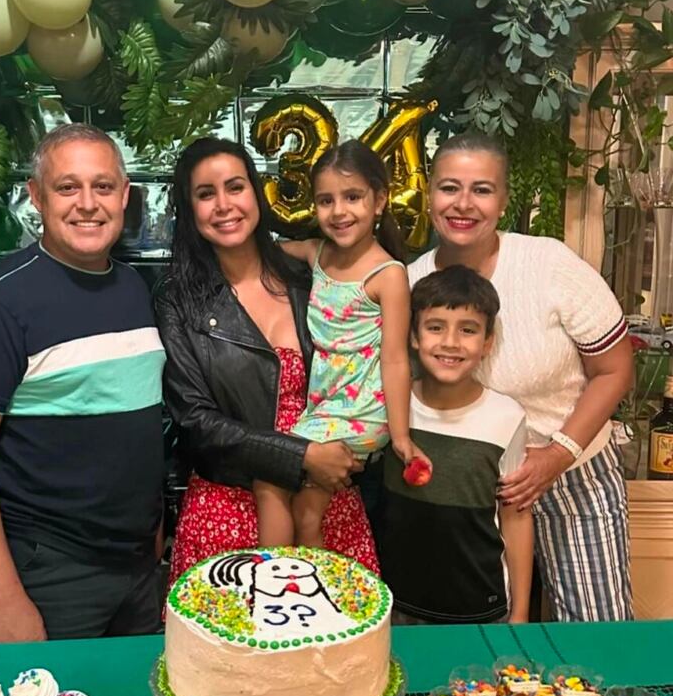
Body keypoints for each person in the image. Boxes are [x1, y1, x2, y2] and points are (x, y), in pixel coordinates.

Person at [0, 123, 166, 642]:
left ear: (124, 195)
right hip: (52, 572)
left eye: (103, 186)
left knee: (138, 695)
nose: (88, 204)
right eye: (67, 187)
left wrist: (151, 530)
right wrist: (5, 600)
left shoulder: (132, 286)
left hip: (137, 565)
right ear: (36, 196)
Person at [409, 131, 634, 622]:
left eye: (482, 189)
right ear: (429, 194)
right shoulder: (410, 283)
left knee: (596, 627)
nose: (463, 204)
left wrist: (557, 454)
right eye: (449, 188)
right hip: (468, 486)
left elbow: (615, 369)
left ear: (504, 199)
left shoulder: (547, 263)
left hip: (573, 469)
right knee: (480, 635)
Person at [155, 137, 380, 583]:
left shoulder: (308, 276)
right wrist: (300, 455)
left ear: (256, 193)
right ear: (190, 208)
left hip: (327, 505)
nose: (224, 205)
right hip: (228, 515)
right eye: (206, 194)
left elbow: (365, 365)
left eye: (235, 187)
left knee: (335, 626)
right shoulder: (179, 299)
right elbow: (194, 419)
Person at [255, 140, 422, 547]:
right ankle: (298, 574)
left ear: (379, 201)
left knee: (275, 477)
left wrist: (401, 436)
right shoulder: (317, 253)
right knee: (300, 503)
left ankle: (286, 577)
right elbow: (263, 251)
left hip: (361, 411)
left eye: (353, 197)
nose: (339, 211)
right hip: (327, 406)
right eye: (326, 200)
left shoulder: (387, 275)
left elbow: (396, 360)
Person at [378, 266, 533, 624]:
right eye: (435, 327)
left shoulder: (506, 417)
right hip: (394, 605)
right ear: (413, 336)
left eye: (468, 330)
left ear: (488, 342)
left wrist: (521, 612)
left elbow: (516, 516)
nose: (450, 342)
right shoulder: (391, 406)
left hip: (479, 607)